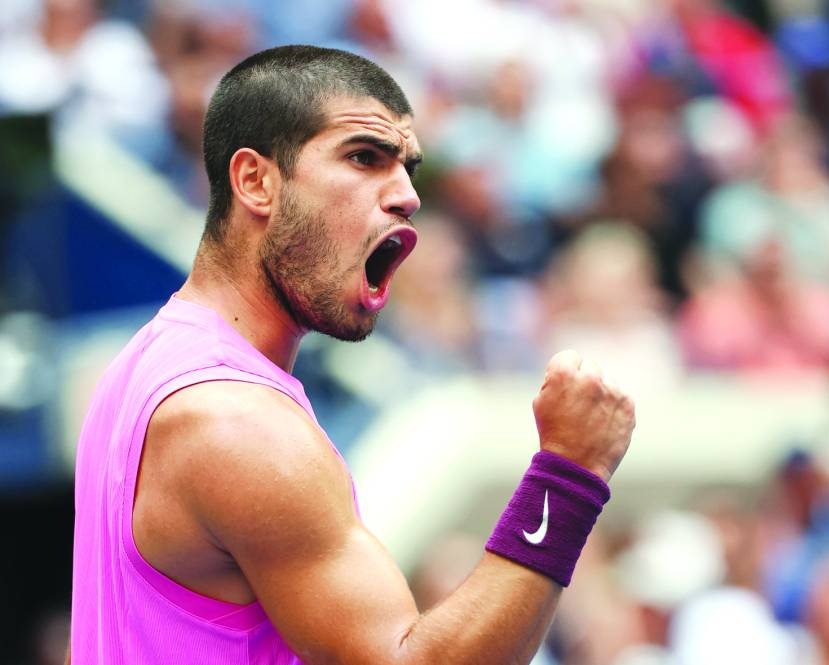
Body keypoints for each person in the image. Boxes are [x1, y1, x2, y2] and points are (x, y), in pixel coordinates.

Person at [67, 45, 635, 664]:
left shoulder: (148, 364)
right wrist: (569, 474)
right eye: (364, 157)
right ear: (256, 181)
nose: (407, 195)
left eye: (407, 168)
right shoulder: (237, 421)